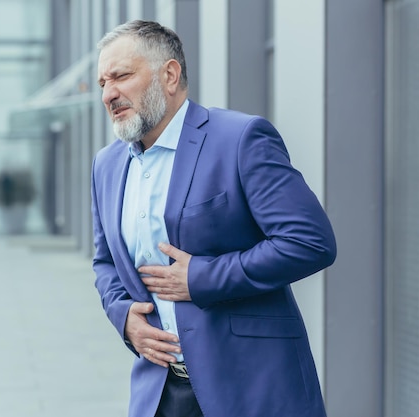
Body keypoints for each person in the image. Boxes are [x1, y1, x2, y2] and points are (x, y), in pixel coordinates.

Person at [91, 20, 336, 417]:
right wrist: (124, 318)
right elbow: (105, 262)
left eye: (121, 76)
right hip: (160, 391)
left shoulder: (240, 139)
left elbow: (310, 242)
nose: (108, 94)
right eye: (103, 82)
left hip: (252, 385)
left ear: (169, 75)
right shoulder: (106, 165)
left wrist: (201, 278)